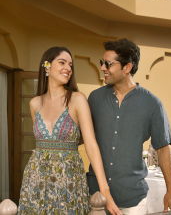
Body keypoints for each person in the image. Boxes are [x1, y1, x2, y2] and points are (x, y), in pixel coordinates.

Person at [18, 47, 121, 214]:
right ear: (47, 66)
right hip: (35, 180)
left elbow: (91, 145)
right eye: (62, 62)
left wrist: (105, 191)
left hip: (69, 181)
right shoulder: (34, 104)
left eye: (70, 65)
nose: (68, 68)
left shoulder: (77, 99)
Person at [86, 38, 171, 214]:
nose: (102, 68)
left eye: (108, 64)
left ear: (127, 67)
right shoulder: (94, 99)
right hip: (95, 198)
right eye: (102, 63)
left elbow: (163, 149)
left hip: (133, 200)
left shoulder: (152, 104)